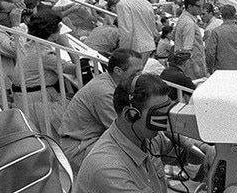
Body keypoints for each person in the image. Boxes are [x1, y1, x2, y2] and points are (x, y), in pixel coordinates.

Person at [74, 73, 214, 193]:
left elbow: (183, 155)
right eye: (158, 113)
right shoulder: (108, 169)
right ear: (131, 115)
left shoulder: (147, 138)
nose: (166, 119)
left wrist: (206, 149)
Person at [58, 48, 144, 172]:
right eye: (135, 72)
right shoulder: (104, 92)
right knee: (133, 159)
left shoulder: (111, 82)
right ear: (118, 71)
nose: (139, 76)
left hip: (89, 140)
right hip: (80, 147)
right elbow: (124, 130)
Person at [116, 0, 159, 64]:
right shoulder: (146, 3)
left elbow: (126, 32)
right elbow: (153, 28)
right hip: (148, 45)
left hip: (135, 47)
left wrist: (123, 52)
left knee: (131, 76)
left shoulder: (123, 4)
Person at [205, 4, 237, 72]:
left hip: (223, 69)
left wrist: (210, 69)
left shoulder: (216, 32)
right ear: (234, 15)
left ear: (222, 15)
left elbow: (210, 53)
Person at [174, 0, 206, 80]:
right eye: (198, 6)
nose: (201, 9)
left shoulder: (182, 18)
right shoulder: (189, 23)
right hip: (191, 66)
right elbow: (187, 49)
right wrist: (195, 66)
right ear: (190, 7)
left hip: (186, 64)